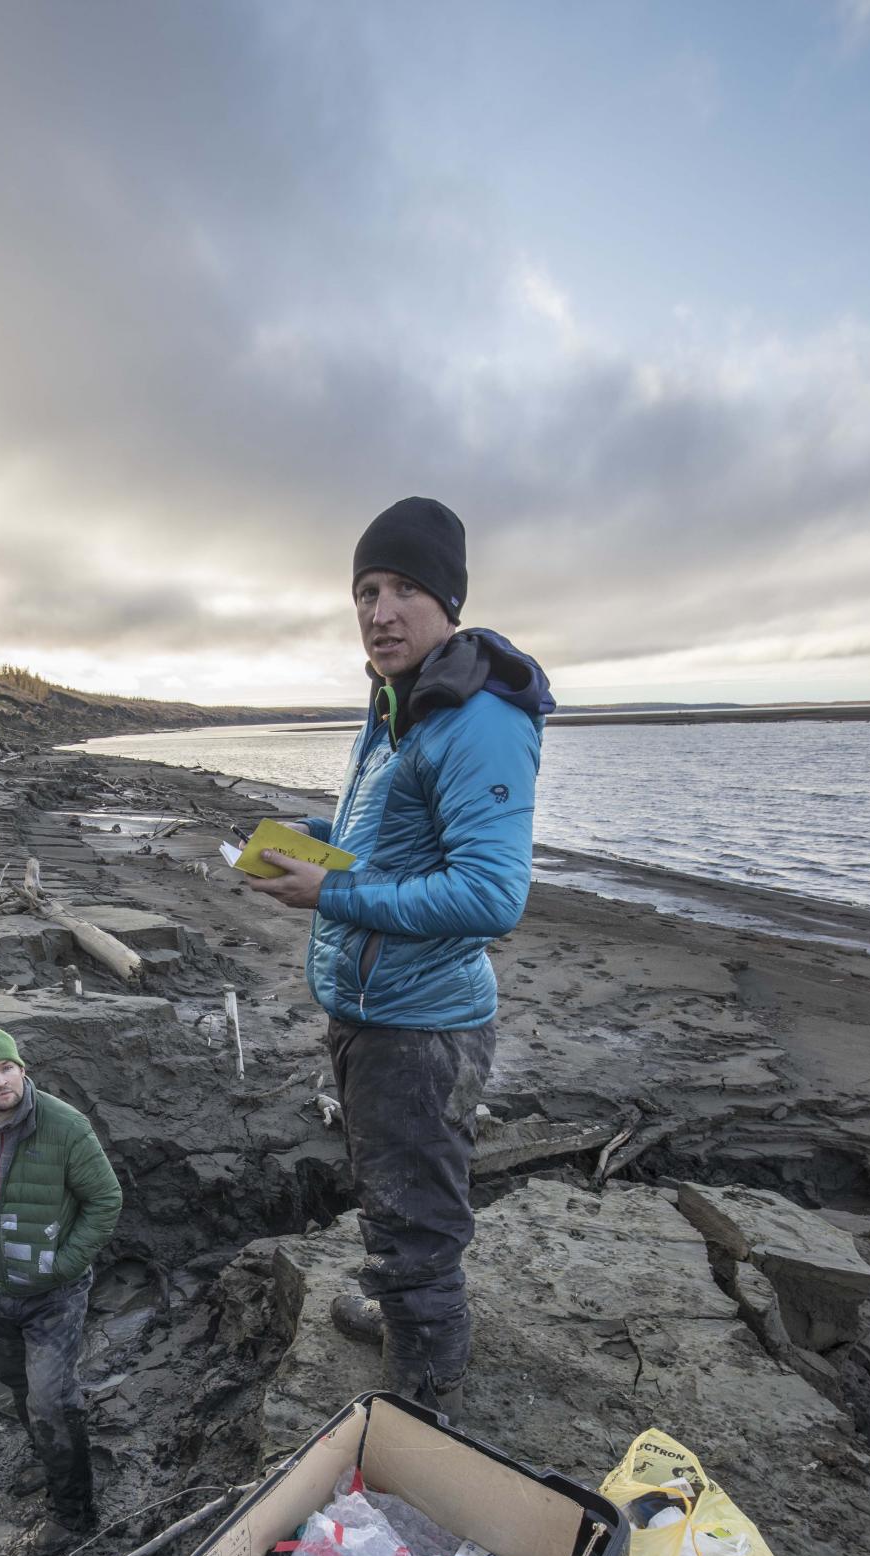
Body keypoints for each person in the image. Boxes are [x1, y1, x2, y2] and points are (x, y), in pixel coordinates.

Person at [247, 496, 553, 1419]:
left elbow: (493, 895)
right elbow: (395, 838)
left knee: (417, 1215)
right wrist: (314, 838)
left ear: (448, 602)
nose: (379, 611)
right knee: (389, 1191)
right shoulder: (397, 707)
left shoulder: (478, 720)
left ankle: (426, 1387)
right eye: (365, 590)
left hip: (424, 1027)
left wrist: (329, 890)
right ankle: (396, 1308)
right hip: (375, 1009)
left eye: (405, 588)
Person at [0, 1026, 122, 1530]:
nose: (0, 1081)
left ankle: (75, 1512)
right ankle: (49, 1463)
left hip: (55, 1295)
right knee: (17, 1386)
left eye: (7, 1068)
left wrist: (64, 1265)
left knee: (51, 1400)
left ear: (23, 1069)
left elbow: (105, 1199)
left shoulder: (66, 1126)